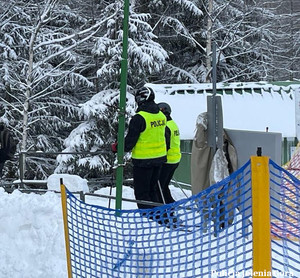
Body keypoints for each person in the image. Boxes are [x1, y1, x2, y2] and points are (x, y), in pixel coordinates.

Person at [117, 86, 168, 210]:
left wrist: (117, 147)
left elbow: (129, 142)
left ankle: (148, 219)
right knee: (153, 190)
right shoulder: (161, 115)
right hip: (159, 158)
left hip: (143, 161)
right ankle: (160, 217)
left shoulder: (139, 118)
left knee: (142, 193)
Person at [157, 102, 181, 204]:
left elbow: (165, 144)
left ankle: (164, 208)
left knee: (159, 187)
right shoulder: (173, 124)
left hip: (167, 160)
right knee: (164, 185)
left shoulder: (165, 126)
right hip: (175, 159)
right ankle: (170, 204)